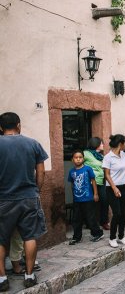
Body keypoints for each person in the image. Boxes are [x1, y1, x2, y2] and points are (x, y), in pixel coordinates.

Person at [0, 112, 48, 290]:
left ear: (1, 127)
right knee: (29, 236)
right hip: (28, 197)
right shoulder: (33, 143)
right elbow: (41, 172)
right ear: (18, 125)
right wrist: (36, 190)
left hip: (3, 199)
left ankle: (2, 279)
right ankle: (29, 275)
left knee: (1, 239)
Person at [68, 150, 104, 245]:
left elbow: (93, 181)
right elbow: (72, 184)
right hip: (77, 199)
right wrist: (74, 196)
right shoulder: (71, 172)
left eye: (80, 157)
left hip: (88, 198)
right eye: (76, 157)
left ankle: (97, 233)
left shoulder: (88, 169)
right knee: (76, 219)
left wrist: (95, 194)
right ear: (72, 160)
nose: (78, 159)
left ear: (83, 159)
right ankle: (77, 237)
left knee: (90, 217)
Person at [102, 134, 125, 248]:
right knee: (117, 213)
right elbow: (107, 174)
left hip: (124, 186)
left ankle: (121, 236)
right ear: (120, 144)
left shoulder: (124, 155)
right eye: (124, 143)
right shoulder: (108, 157)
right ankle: (112, 238)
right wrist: (114, 188)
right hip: (112, 188)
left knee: (123, 213)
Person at [85, 137, 109, 230]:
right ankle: (90, 223)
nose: (103, 145)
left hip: (101, 181)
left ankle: (104, 222)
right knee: (91, 204)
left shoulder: (100, 156)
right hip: (90, 182)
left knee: (104, 201)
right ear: (96, 144)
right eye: (101, 143)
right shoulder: (86, 153)